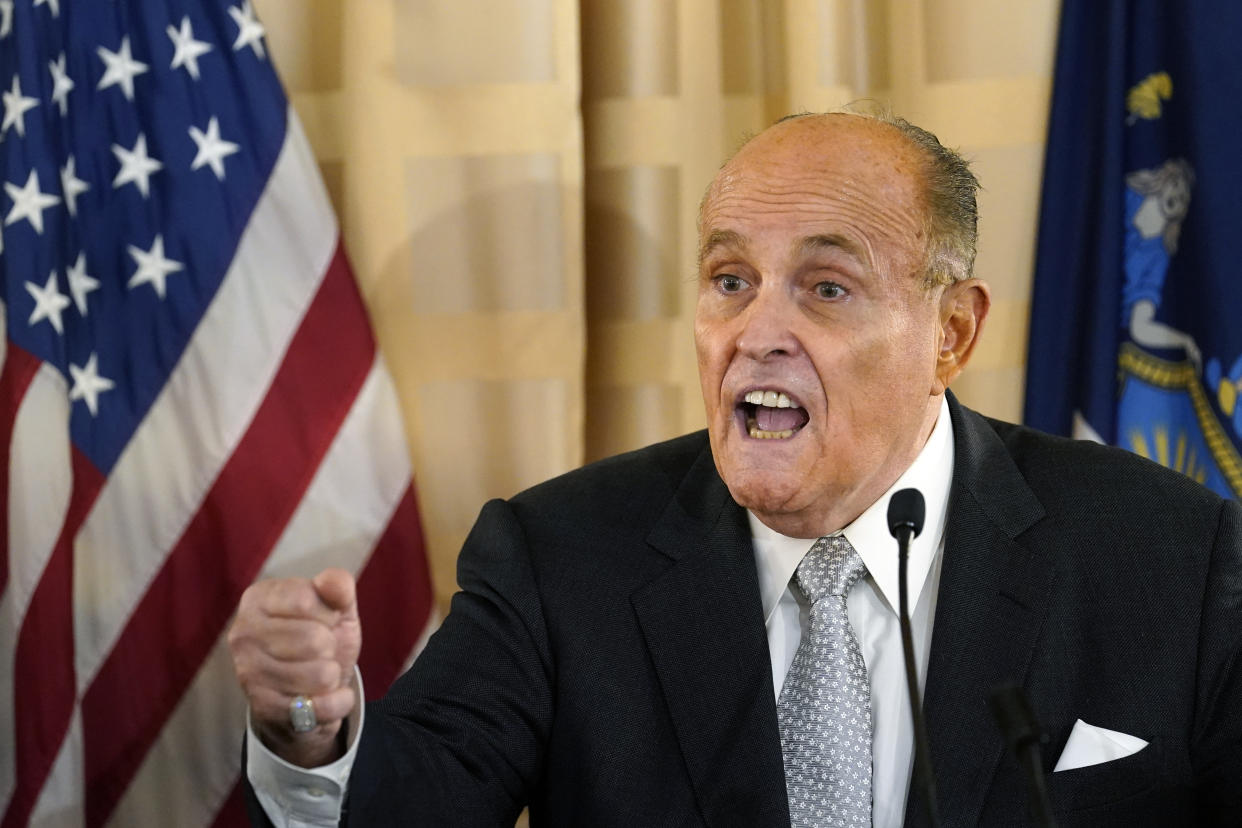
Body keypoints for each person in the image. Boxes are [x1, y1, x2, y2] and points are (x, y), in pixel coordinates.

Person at [228, 110, 1242, 826]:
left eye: (827, 287)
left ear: (951, 333)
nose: (757, 333)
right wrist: (314, 730)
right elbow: (416, 800)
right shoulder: (560, 555)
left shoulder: (1167, 555)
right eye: (729, 280)